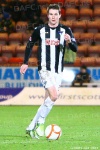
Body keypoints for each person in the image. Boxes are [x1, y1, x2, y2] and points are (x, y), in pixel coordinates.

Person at [20, 4, 77, 139]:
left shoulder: (65, 30)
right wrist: (25, 62)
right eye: (51, 14)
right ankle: (40, 123)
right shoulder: (39, 30)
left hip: (58, 71)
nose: (53, 17)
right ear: (47, 15)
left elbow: (75, 48)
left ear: (59, 15)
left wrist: (69, 42)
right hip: (44, 69)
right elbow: (29, 44)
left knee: (48, 101)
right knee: (54, 95)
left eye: (55, 14)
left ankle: (30, 127)